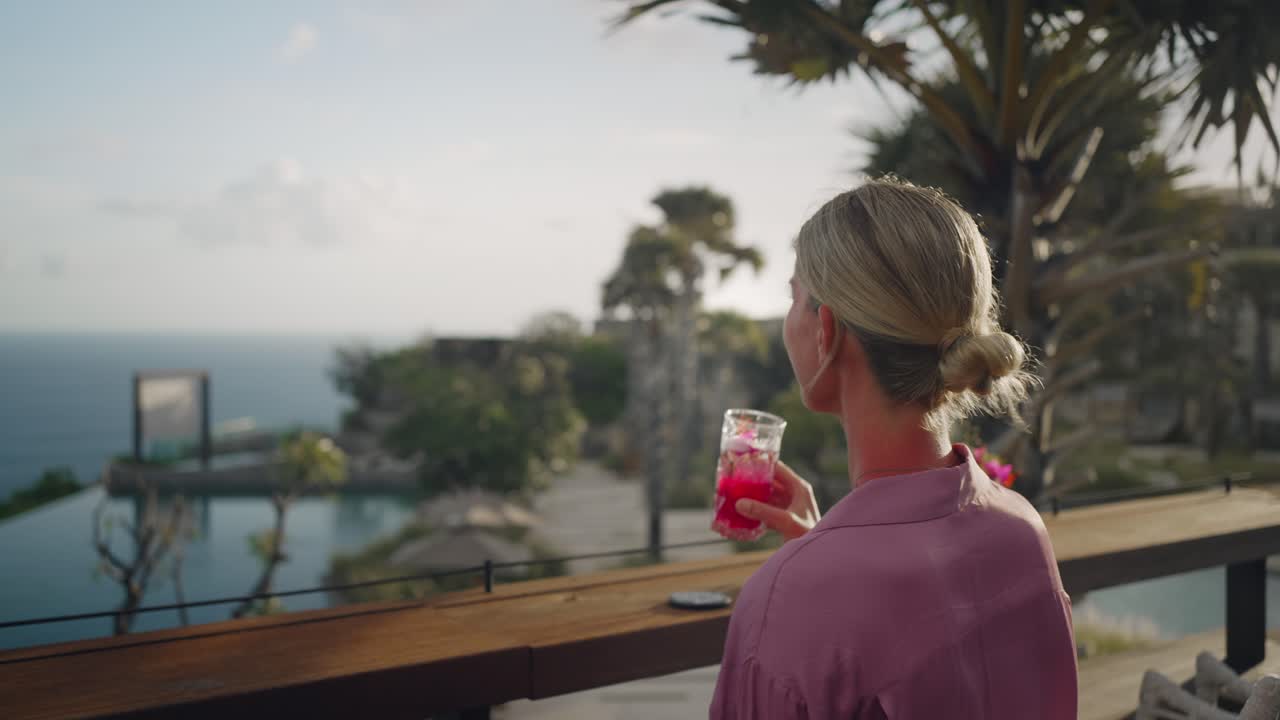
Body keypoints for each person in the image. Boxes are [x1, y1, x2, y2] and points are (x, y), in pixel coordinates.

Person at [712, 179, 1077, 719]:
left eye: (795, 298)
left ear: (826, 332)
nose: (789, 319)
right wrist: (824, 551)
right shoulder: (1021, 531)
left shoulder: (785, 601)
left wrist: (817, 568)